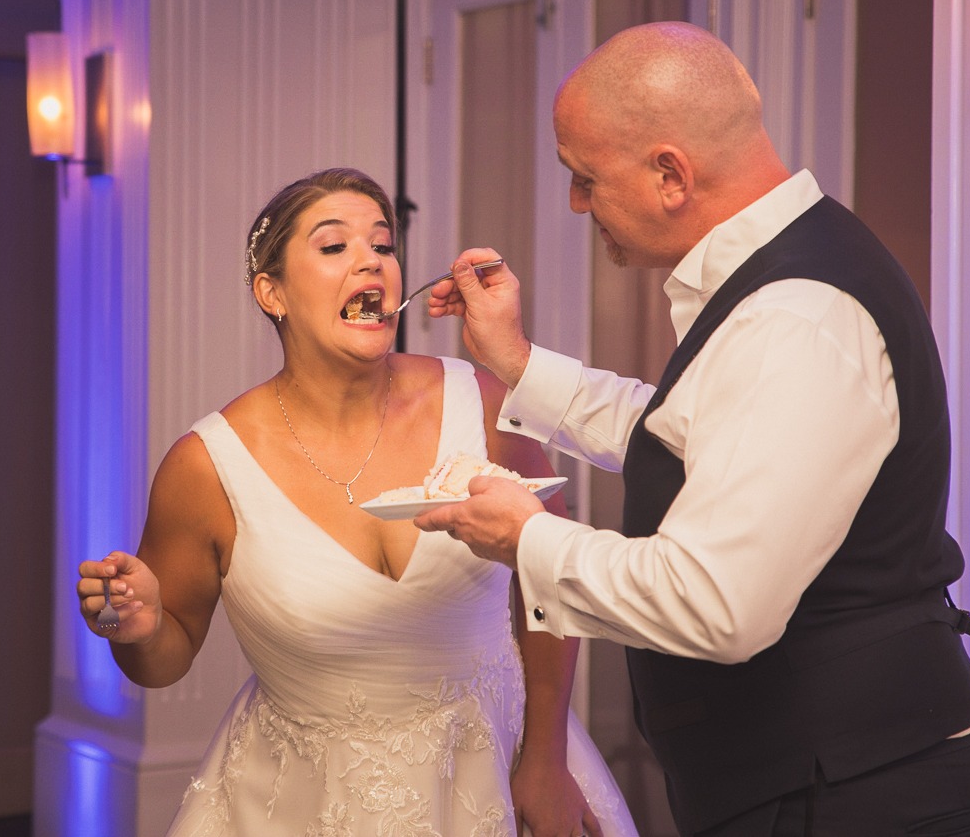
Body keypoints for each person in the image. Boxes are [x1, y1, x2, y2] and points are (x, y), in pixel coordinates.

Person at [414, 23, 970, 836]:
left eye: (586, 178)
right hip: (819, 780)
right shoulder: (788, 271)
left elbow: (715, 605)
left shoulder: (794, 318)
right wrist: (519, 364)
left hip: (863, 797)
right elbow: (693, 435)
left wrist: (527, 540)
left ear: (671, 173)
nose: (575, 203)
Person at [76, 167, 639, 837]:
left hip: (498, 768)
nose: (371, 259)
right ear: (272, 291)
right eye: (335, 246)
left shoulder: (482, 403)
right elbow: (166, 658)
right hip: (302, 804)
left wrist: (544, 756)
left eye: (383, 244)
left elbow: (552, 572)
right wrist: (134, 629)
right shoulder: (206, 466)